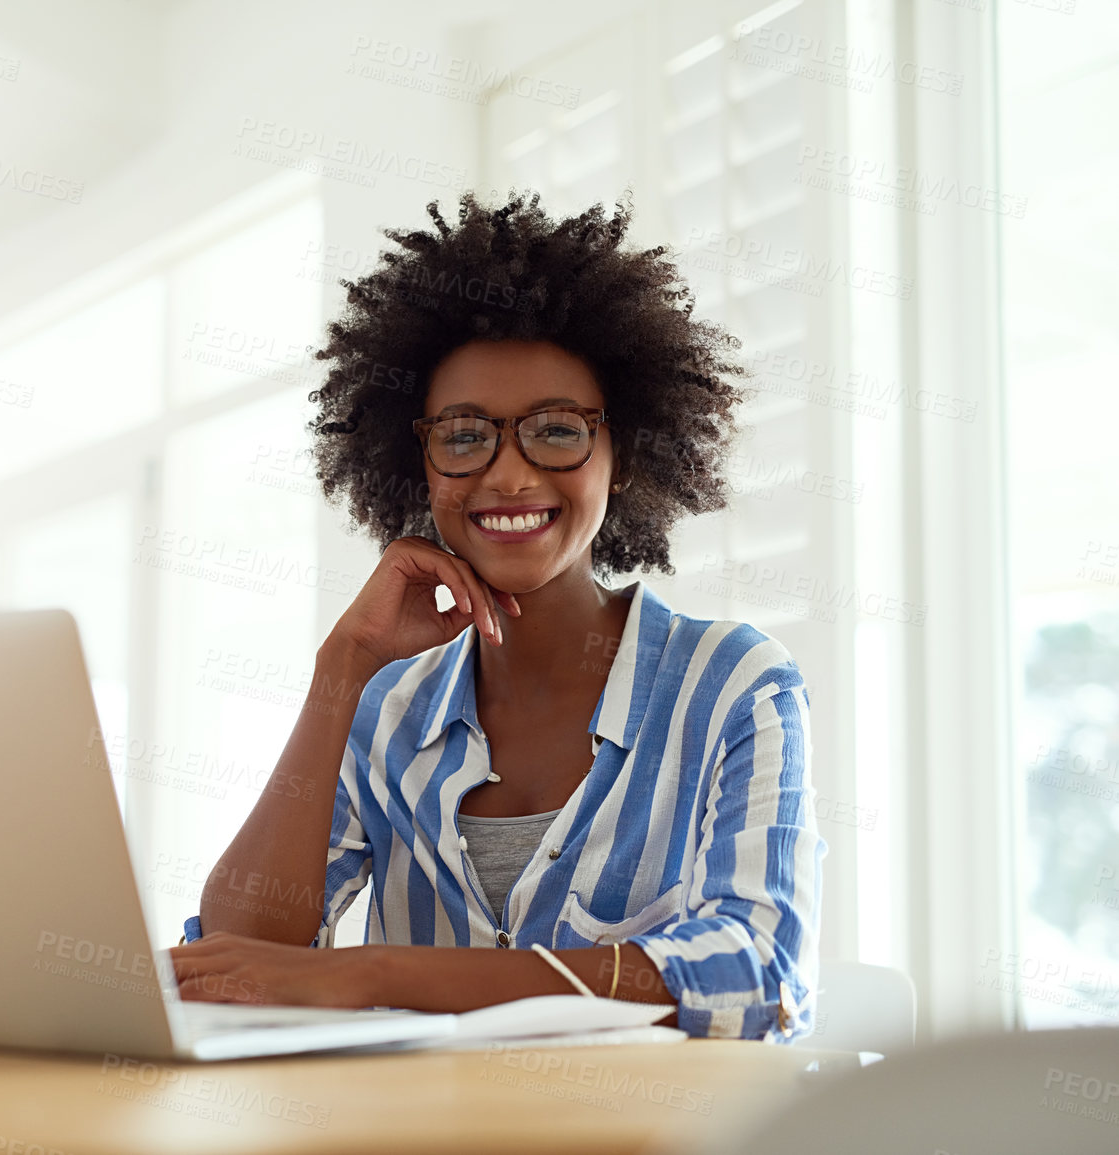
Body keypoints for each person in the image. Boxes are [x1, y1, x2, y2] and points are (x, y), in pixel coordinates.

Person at [166, 191, 826, 1042]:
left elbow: (755, 976)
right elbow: (236, 958)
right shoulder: (387, 710)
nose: (509, 476)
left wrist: (373, 971)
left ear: (621, 455)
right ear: (421, 464)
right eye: (465, 434)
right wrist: (341, 670)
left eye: (555, 431)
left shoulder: (732, 686)